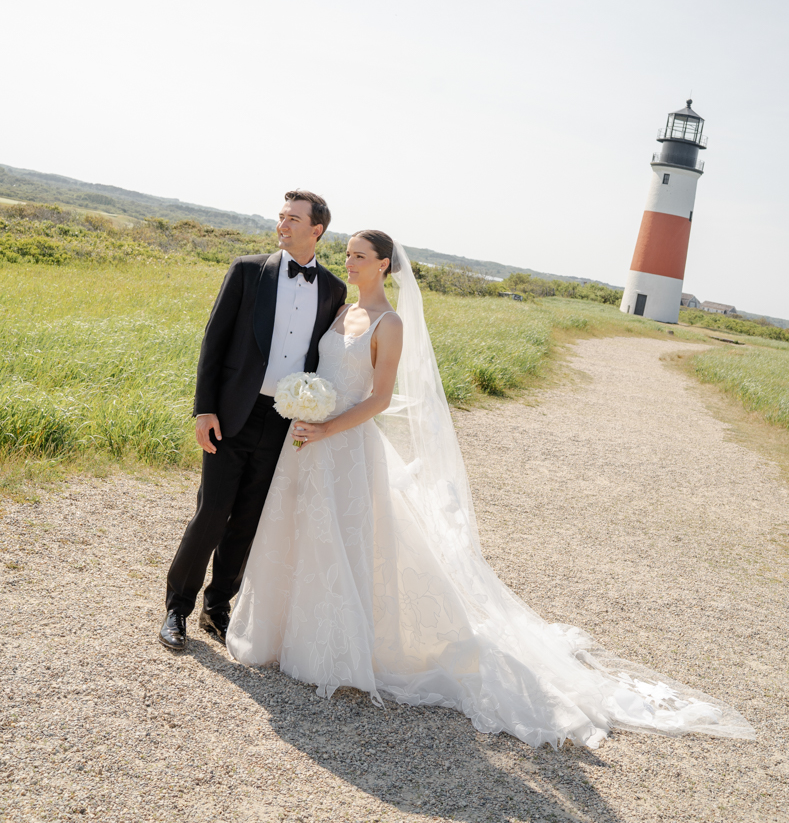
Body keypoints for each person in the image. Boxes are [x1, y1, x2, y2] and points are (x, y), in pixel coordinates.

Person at [226, 232, 754, 749]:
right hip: (308, 440)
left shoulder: (391, 323)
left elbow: (380, 398)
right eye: (348, 254)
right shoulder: (340, 309)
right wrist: (304, 406)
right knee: (300, 528)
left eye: (360, 256)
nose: (350, 262)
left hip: (343, 442)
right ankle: (285, 634)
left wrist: (327, 427)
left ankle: (335, 650)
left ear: (384, 264)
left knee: (345, 537)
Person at [159, 190, 347, 652]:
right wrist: (204, 408)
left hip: (283, 421)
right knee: (211, 513)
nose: (282, 224)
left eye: (293, 218)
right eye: (281, 216)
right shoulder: (247, 270)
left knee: (249, 519)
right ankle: (177, 608)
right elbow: (214, 341)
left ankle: (217, 608)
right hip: (230, 414)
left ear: (316, 229)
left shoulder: (333, 289)